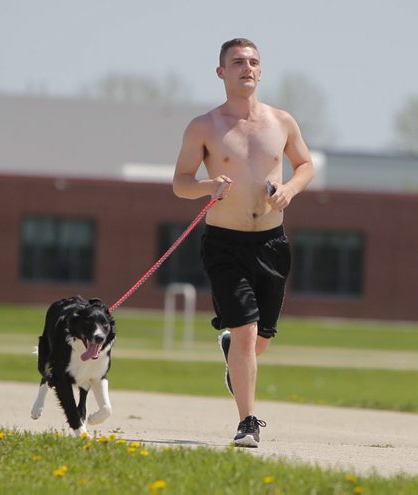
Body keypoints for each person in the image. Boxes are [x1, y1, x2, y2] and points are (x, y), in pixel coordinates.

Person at [172, 38, 314, 447]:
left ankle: (233, 355)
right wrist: (206, 187)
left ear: (261, 70)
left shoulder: (281, 122)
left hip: (272, 243)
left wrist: (288, 190)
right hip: (225, 245)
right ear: (221, 72)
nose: (246, 68)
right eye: (237, 62)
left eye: (253, 62)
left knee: (260, 338)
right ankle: (248, 421)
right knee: (248, 333)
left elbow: (304, 165)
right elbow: (180, 183)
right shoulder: (204, 126)